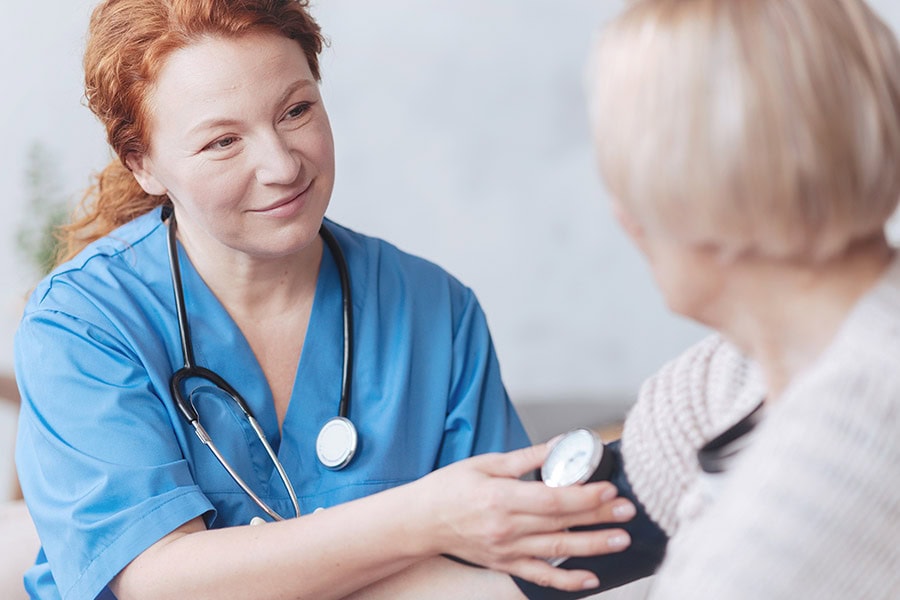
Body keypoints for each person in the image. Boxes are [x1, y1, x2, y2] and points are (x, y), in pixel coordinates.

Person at [12, 1, 638, 598]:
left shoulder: (433, 312)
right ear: (143, 164)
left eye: (295, 111)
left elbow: (504, 565)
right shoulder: (82, 325)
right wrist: (423, 520)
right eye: (222, 141)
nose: (282, 165)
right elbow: (157, 581)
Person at [583, 0, 900, 598]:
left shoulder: (820, 482)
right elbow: (522, 559)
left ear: (691, 205)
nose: (620, 215)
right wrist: (409, 525)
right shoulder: (740, 372)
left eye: (622, 181)